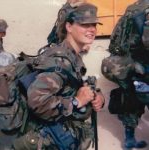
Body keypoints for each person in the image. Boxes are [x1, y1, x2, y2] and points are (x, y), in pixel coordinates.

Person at [12, 2, 105, 150]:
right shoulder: (60, 61)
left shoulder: (70, 54)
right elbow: (38, 101)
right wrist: (76, 102)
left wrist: (96, 96)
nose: (92, 29)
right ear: (69, 27)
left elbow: (71, 86)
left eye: (94, 25)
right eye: (84, 25)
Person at [101, 0, 149, 149]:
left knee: (131, 98)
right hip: (142, 63)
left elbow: (115, 36)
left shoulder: (132, 7)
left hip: (126, 63)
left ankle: (129, 140)